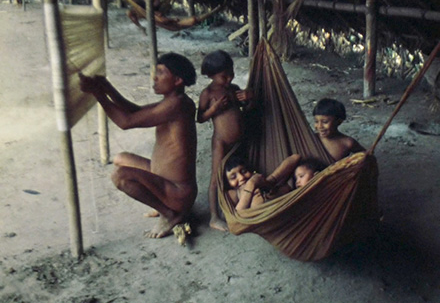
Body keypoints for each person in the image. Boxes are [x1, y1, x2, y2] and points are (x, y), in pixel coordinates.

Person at [79, 53, 198, 239]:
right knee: (121, 158)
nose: (154, 77)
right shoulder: (173, 100)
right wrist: (108, 88)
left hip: (177, 192)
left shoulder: (177, 104)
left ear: (177, 80)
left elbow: (126, 122)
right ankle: (162, 204)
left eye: (160, 72)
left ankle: (170, 214)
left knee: (120, 177)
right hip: (164, 179)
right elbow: (135, 111)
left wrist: (98, 93)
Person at [197, 50, 253, 230]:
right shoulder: (208, 93)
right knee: (216, 177)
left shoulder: (234, 89)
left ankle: (242, 203)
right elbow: (200, 117)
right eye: (224, 76)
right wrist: (213, 109)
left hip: (240, 140)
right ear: (211, 76)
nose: (229, 78)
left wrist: (248, 97)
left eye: (231, 73)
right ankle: (214, 216)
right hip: (221, 141)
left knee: (242, 171)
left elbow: (244, 107)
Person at [225, 154, 303, 211]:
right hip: (262, 216)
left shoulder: (260, 181)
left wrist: (269, 181)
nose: (241, 177)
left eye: (244, 171)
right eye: (233, 177)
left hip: (283, 206)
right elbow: (235, 219)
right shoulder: (234, 194)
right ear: (227, 183)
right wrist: (250, 186)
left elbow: (296, 157)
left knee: (284, 188)